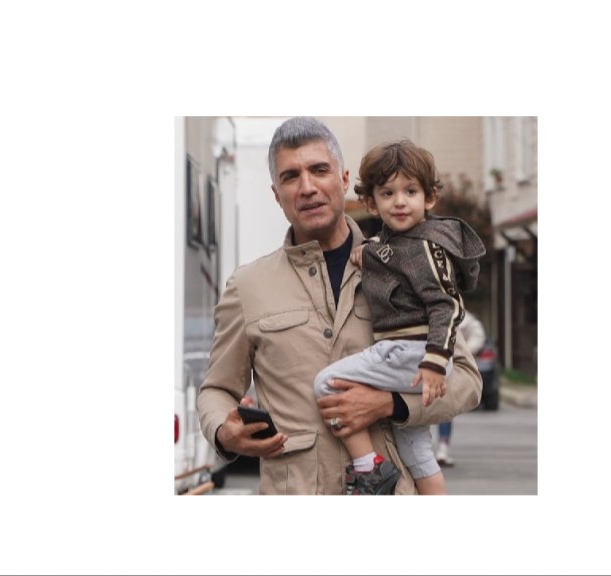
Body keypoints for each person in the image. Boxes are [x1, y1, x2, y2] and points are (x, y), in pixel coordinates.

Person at [196, 117, 483, 495]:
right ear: (276, 194)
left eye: (319, 170)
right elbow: (216, 389)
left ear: (344, 180)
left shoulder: (406, 263)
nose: (308, 187)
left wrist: (391, 405)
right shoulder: (247, 287)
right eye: (290, 177)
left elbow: (466, 380)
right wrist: (223, 430)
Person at [313, 140, 486, 495]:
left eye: (410, 191)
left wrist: (435, 362)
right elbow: (393, 257)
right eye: (388, 193)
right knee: (418, 453)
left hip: (411, 354)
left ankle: (368, 468)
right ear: (371, 203)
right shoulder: (398, 243)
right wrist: (370, 250)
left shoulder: (427, 246)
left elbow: (447, 304)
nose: (400, 202)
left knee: (327, 383)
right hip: (413, 358)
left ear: (429, 198)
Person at [436, 309, 486, 467]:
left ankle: (442, 448)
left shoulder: (462, 316)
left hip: (447, 369)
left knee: (444, 408)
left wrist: (460, 352)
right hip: (422, 365)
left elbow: (477, 334)